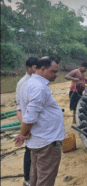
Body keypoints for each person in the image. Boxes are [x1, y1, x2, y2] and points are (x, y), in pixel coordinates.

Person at [15, 56, 65, 186]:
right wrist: (23, 133)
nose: (56, 75)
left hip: (38, 140)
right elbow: (30, 116)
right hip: (46, 141)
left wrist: (24, 132)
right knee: (45, 179)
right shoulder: (39, 87)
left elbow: (20, 109)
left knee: (36, 176)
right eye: (53, 71)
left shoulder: (27, 84)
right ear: (42, 69)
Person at [15, 57, 38, 186]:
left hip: (34, 123)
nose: (38, 69)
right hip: (28, 123)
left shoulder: (36, 81)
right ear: (30, 68)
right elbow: (19, 109)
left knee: (35, 151)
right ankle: (27, 179)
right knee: (29, 150)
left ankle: (33, 178)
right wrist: (25, 128)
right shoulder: (23, 83)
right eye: (36, 67)